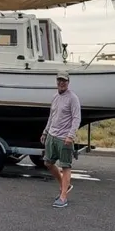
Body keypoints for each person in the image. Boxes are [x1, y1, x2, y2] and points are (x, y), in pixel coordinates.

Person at [40, 70, 81, 208]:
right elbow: (51, 116)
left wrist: (71, 135)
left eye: (64, 80)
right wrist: (45, 132)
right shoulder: (54, 97)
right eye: (59, 80)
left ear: (68, 82)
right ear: (56, 81)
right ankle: (65, 185)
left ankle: (63, 197)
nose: (61, 83)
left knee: (65, 165)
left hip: (64, 138)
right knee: (48, 163)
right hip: (52, 135)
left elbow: (76, 118)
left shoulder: (73, 98)